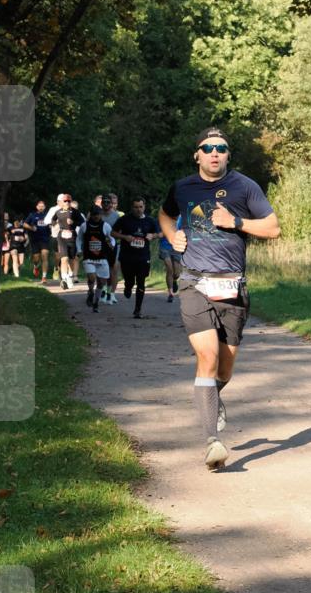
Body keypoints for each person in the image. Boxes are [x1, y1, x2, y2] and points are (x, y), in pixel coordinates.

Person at [159, 127, 281, 470]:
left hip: (233, 287)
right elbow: (165, 214)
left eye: (221, 148)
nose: (215, 153)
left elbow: (273, 228)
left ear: (228, 154)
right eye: (208, 147)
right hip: (194, 283)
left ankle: (213, 396)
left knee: (224, 369)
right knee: (207, 357)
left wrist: (237, 221)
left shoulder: (245, 187)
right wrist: (173, 236)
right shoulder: (183, 188)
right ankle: (212, 441)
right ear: (197, 154)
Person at [113, 196, 159, 318]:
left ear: (144, 207)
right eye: (136, 207)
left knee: (141, 282)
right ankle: (128, 287)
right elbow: (113, 232)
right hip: (127, 256)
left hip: (143, 257)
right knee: (129, 281)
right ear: (132, 208)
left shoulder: (150, 221)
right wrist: (124, 237)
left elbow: (160, 233)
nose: (138, 209)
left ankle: (137, 310)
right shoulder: (124, 220)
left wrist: (153, 235)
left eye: (141, 207)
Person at [76, 204, 116, 312]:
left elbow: (111, 238)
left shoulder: (105, 226)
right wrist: (79, 250)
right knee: (92, 277)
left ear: (101, 215)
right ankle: (90, 291)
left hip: (102, 257)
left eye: (98, 214)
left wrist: (112, 244)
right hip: (88, 257)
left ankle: (96, 302)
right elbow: (79, 239)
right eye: (94, 215)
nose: (96, 217)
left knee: (101, 282)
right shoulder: (84, 226)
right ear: (90, 215)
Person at [49, 195, 83, 289]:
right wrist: (55, 225)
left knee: (71, 259)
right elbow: (53, 219)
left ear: (70, 201)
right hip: (61, 236)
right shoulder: (58, 211)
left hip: (72, 236)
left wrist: (73, 223)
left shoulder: (75, 211)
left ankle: (70, 276)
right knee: (64, 259)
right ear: (62, 202)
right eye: (65, 201)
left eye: (69, 201)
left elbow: (82, 221)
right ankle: (64, 279)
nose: (67, 202)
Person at [99, 194, 121, 304]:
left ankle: (111, 294)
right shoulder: (97, 214)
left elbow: (120, 231)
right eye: (104, 202)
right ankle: (102, 290)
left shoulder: (116, 215)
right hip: (100, 246)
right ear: (101, 203)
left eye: (108, 202)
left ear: (111, 204)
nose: (106, 204)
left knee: (114, 269)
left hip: (114, 245)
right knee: (102, 268)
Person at [23, 199, 51, 283]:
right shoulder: (32, 215)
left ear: (45, 207)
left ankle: (44, 277)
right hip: (35, 239)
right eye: (40, 206)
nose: (41, 208)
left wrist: (51, 226)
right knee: (36, 258)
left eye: (43, 206)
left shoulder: (48, 216)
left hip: (45, 239)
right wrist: (31, 228)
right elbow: (24, 224)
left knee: (45, 255)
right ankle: (35, 266)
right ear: (37, 207)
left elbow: (53, 223)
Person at [158, 216, 183, 303]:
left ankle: (174, 280)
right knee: (169, 268)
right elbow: (158, 232)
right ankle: (170, 293)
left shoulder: (181, 217)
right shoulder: (163, 217)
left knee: (176, 273)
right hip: (165, 246)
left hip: (176, 246)